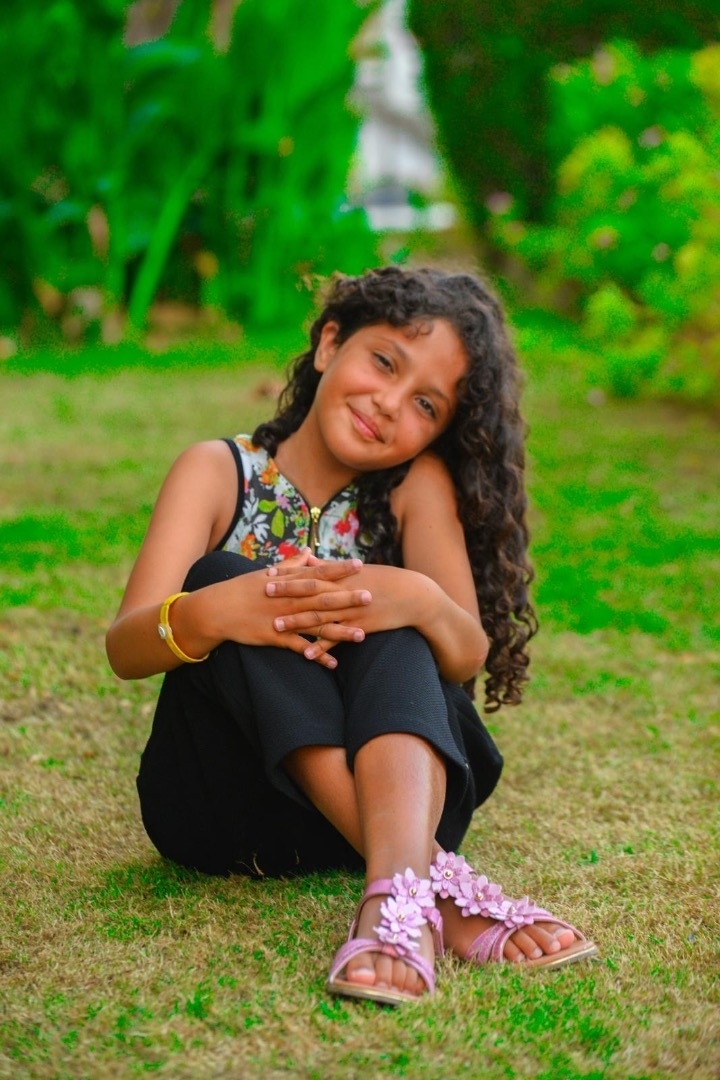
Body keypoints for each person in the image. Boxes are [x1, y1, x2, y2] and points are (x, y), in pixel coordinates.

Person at [106, 265, 597, 1007]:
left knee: (394, 616)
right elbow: (125, 648)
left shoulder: (413, 489)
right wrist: (222, 611)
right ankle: (438, 889)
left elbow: (466, 653)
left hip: (394, 803)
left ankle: (396, 892)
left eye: (426, 404)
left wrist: (413, 596)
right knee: (222, 576)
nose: (389, 404)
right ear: (331, 343)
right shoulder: (216, 472)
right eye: (385, 363)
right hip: (226, 810)